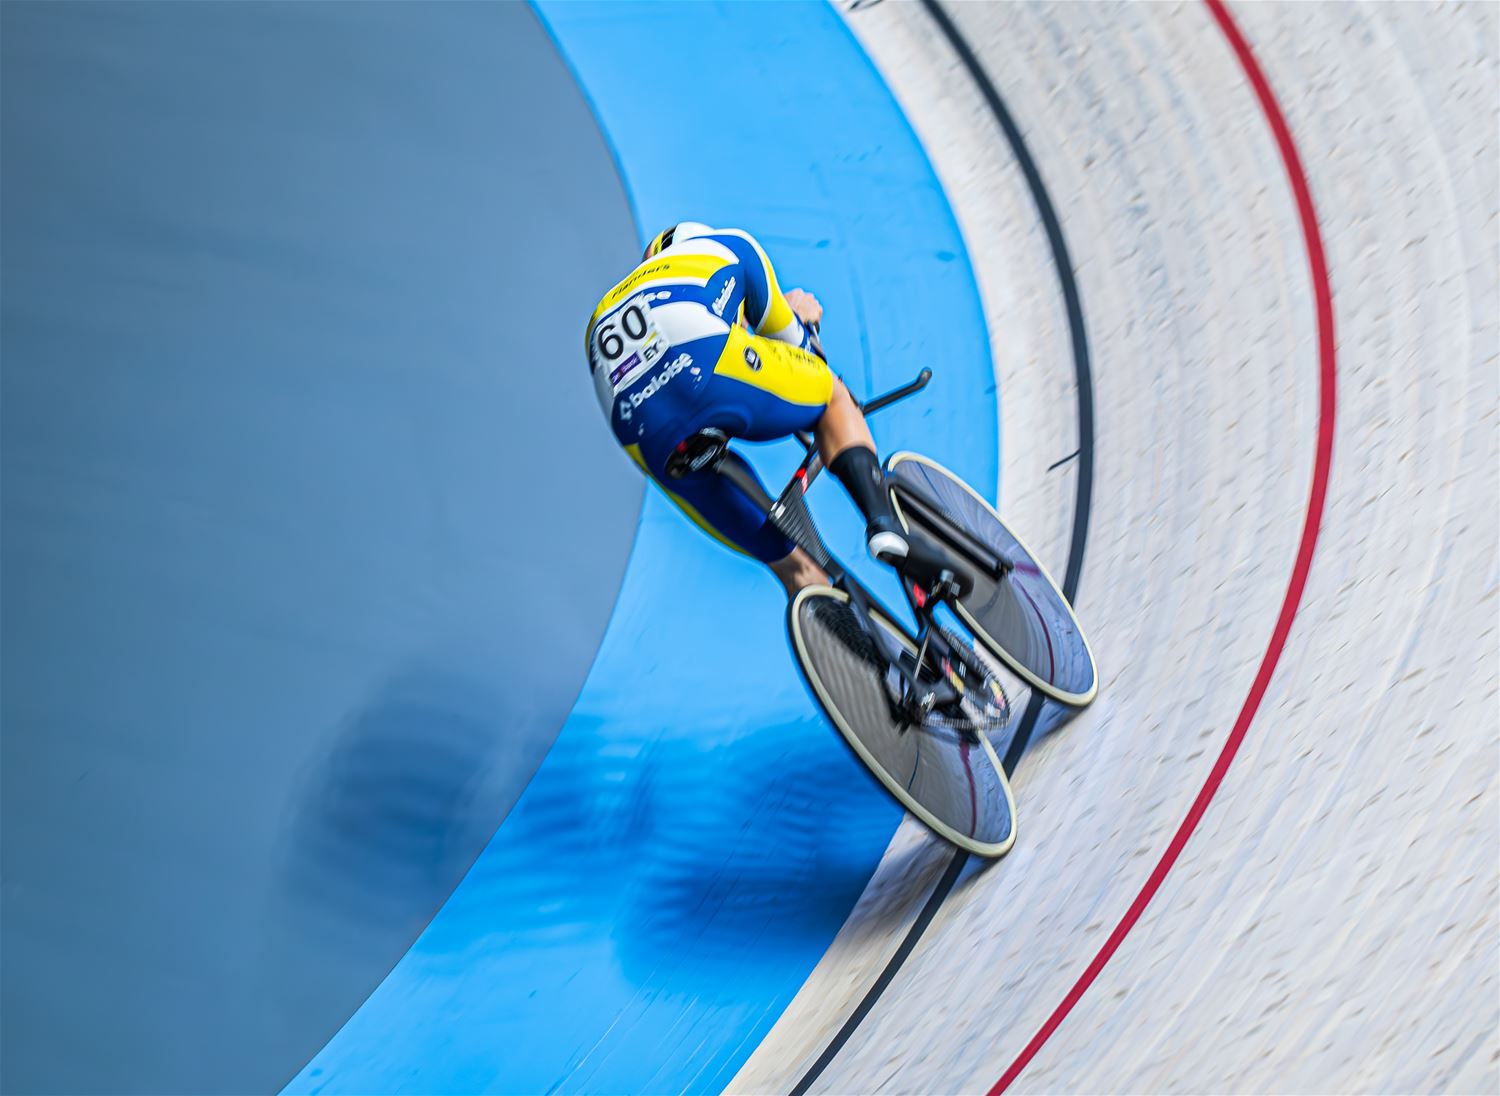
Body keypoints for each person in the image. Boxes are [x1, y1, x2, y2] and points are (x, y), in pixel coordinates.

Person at [585, 221, 957, 598]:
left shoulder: (610, 309)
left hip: (644, 432)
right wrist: (803, 320)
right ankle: (883, 524)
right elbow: (801, 351)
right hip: (704, 360)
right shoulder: (731, 245)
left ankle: (826, 618)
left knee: (795, 567)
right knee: (832, 396)